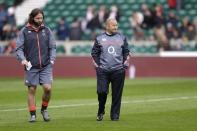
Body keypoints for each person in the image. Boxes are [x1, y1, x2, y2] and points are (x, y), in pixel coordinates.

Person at [15, 8, 56, 122]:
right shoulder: (24, 31)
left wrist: (52, 59)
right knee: (32, 89)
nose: (40, 20)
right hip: (31, 66)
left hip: (46, 65)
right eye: (38, 18)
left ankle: (44, 109)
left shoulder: (47, 30)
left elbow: (52, 47)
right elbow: (19, 48)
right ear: (32, 18)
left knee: (47, 89)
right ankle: (32, 114)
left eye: (41, 18)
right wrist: (23, 59)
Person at [91, 18, 130, 121]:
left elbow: (126, 51)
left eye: (116, 25)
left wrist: (125, 62)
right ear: (107, 26)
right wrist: (98, 66)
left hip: (118, 70)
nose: (116, 27)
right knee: (102, 92)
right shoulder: (99, 38)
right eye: (113, 25)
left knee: (117, 94)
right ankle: (101, 110)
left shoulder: (122, 38)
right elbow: (94, 53)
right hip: (103, 70)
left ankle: (115, 115)